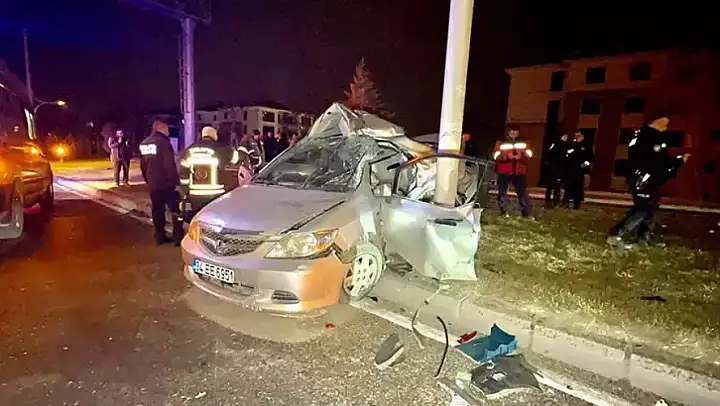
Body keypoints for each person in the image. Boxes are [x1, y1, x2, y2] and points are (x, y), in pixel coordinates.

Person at [607, 116, 690, 248]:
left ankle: (643, 237)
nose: (665, 128)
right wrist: (678, 161)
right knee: (644, 208)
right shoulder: (650, 138)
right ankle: (617, 234)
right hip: (644, 178)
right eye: (664, 124)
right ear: (655, 122)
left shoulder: (643, 137)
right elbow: (658, 160)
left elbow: (657, 159)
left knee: (649, 207)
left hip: (644, 177)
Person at [139, 118, 184, 246]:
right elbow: (169, 165)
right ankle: (178, 237)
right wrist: (176, 182)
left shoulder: (144, 144)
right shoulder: (163, 142)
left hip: (153, 183)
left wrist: (148, 180)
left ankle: (159, 236)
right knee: (176, 210)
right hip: (167, 183)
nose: (168, 132)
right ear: (160, 128)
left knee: (157, 211)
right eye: (167, 129)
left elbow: (143, 165)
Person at [492, 127, 533, 217]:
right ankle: (503, 211)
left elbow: (529, 154)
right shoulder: (501, 142)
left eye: (516, 132)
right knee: (502, 192)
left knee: (522, 193)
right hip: (504, 170)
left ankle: (526, 213)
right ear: (509, 132)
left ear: (518, 133)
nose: (514, 134)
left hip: (519, 171)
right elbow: (496, 155)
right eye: (512, 132)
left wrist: (521, 156)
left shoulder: (524, 142)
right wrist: (507, 156)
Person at [563, 131, 594, 210]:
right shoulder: (572, 144)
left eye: (578, 135)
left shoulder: (586, 145)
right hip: (571, 169)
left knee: (578, 188)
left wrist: (585, 164)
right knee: (568, 187)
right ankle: (566, 202)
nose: (576, 137)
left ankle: (577, 203)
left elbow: (591, 158)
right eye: (575, 135)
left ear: (582, 136)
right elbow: (567, 154)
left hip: (580, 170)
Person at [543, 133, 569, 207]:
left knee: (555, 186)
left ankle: (553, 201)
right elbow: (549, 153)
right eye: (565, 136)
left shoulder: (565, 145)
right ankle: (551, 201)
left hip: (557, 169)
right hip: (555, 169)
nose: (566, 138)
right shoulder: (556, 144)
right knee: (553, 186)